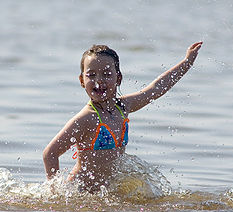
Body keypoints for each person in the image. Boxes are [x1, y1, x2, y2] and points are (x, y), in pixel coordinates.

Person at [43, 42, 203, 192]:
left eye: (106, 74)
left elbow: (156, 88)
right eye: (91, 75)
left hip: (107, 193)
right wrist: (55, 192)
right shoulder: (86, 119)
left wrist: (187, 62)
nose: (99, 80)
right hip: (82, 192)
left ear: (118, 78)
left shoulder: (123, 107)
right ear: (81, 80)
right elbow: (50, 153)